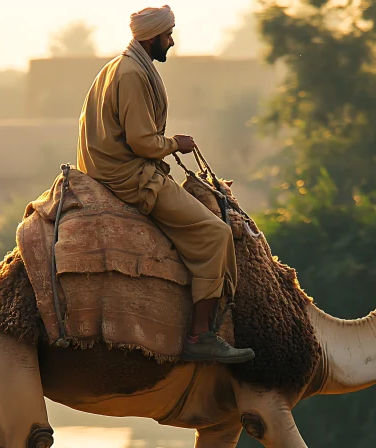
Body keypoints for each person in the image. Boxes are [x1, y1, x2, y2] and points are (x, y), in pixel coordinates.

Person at [76, 5, 254, 364]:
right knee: (215, 233)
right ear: (153, 37)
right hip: (129, 177)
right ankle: (201, 335)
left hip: (115, 168)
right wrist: (175, 143)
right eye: (168, 36)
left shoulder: (119, 66)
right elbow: (143, 142)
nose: (171, 42)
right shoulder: (131, 74)